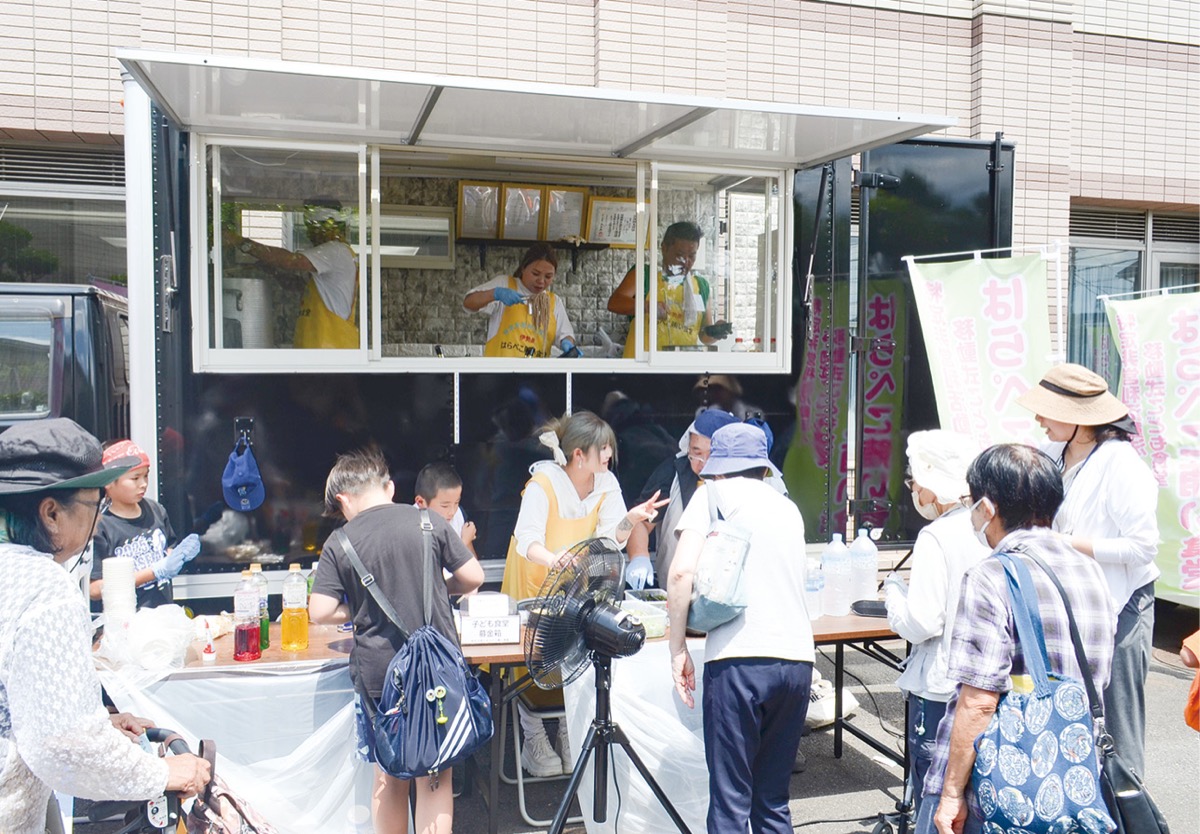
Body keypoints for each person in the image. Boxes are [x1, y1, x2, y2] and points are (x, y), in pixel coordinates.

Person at [0, 418, 210, 834]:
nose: (98, 522)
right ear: (51, 513)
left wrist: (98, 721)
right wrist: (163, 772)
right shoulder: (46, 587)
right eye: (95, 504)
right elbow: (63, 743)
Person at [920, 443, 1116, 834]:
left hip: (1002, 788)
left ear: (987, 508)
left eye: (971, 502)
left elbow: (979, 701)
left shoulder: (992, 577)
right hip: (1075, 780)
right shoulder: (1091, 571)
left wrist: (952, 792)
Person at [309, 447, 483, 834]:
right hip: (437, 670)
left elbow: (319, 610)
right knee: (435, 777)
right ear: (388, 487)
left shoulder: (341, 542)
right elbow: (474, 577)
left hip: (381, 676)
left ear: (343, 500)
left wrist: (358, 607)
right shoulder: (428, 522)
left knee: (388, 778)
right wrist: (437, 589)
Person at [500, 410, 667, 777]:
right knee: (532, 659)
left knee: (573, 656)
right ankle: (533, 739)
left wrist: (633, 519)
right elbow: (527, 539)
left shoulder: (606, 482)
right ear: (579, 455)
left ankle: (566, 731)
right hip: (535, 578)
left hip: (577, 584)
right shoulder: (544, 484)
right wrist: (554, 559)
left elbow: (610, 539)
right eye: (603, 448)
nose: (609, 455)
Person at [667, 423, 813, 834]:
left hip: (738, 661)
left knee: (731, 802)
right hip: (796, 662)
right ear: (763, 468)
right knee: (772, 801)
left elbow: (680, 574)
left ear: (718, 468)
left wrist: (677, 648)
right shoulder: (787, 506)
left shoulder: (711, 495)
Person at [1015, 362, 1159, 776]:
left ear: (1079, 417)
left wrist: (1065, 543)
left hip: (1121, 604)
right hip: (1068, 603)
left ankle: (1127, 804)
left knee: (1117, 727)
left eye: (1047, 410)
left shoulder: (1121, 463)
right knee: (1069, 718)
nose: (1038, 418)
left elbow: (1143, 547)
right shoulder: (1050, 454)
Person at [882, 430, 989, 823]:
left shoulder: (937, 535)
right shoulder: (991, 525)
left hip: (942, 686)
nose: (913, 490)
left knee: (936, 797)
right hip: (988, 683)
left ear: (930, 482)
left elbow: (921, 622)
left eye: (914, 481)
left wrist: (894, 594)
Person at [625, 406, 739, 589]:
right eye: (696, 453)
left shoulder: (748, 478)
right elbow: (641, 522)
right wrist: (639, 557)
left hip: (730, 591)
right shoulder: (672, 472)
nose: (703, 464)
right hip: (675, 589)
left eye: (712, 455)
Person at [224, 198, 359, 348]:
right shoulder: (333, 257)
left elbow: (290, 261)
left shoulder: (335, 250)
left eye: (312, 228)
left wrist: (240, 242)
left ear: (324, 227)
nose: (309, 234)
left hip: (328, 353)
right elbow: (300, 288)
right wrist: (274, 271)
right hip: (320, 352)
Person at [87, 440, 200, 610]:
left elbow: (167, 549)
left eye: (146, 475)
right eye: (135, 478)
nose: (143, 484)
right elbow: (94, 589)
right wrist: (154, 572)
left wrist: (179, 555)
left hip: (163, 612)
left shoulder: (156, 510)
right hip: (126, 619)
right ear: (108, 482)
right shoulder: (99, 524)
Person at [607, 221, 731, 357]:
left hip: (680, 364)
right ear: (664, 248)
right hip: (644, 363)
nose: (686, 261)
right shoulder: (644, 275)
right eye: (680, 255)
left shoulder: (701, 286)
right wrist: (648, 306)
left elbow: (703, 335)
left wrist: (716, 332)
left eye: (692, 256)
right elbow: (614, 303)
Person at [463, 244, 581, 358]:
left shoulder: (554, 302)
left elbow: (566, 335)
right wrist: (495, 294)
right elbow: (468, 303)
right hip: (501, 370)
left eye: (548, 276)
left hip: (536, 371)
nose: (541, 281)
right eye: (535, 274)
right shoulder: (505, 284)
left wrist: (567, 343)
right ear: (523, 268)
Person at [413, 461, 478, 559]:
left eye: (456, 503)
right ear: (420, 502)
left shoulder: (459, 514)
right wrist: (464, 542)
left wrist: (468, 542)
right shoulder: (411, 526)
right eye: (445, 506)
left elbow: (473, 564)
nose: (452, 512)